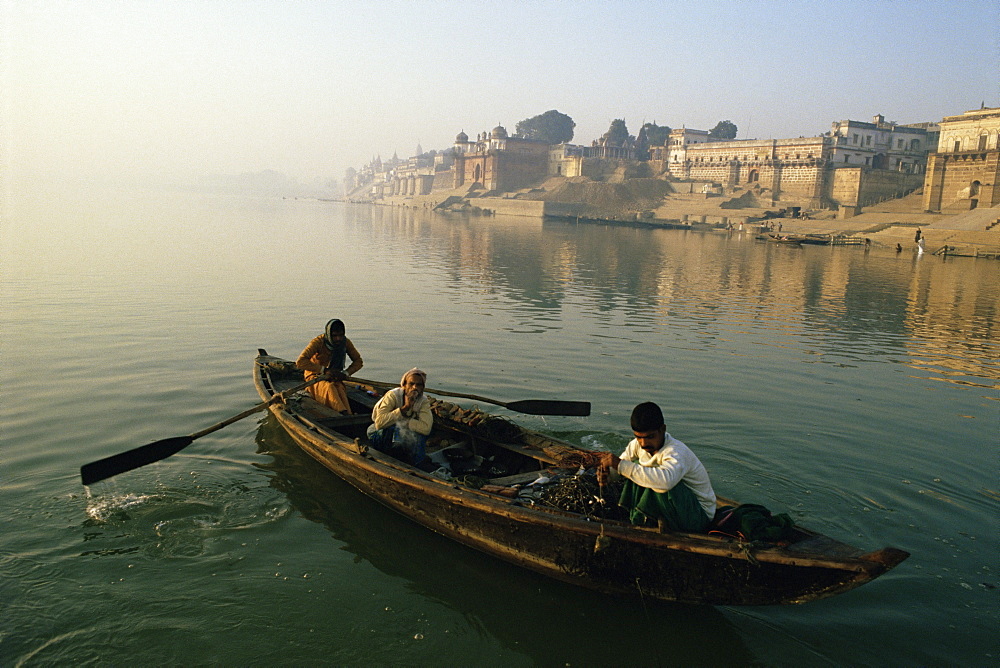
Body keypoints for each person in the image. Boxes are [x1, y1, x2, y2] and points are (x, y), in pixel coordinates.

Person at [602, 402, 717, 533]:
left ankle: (646, 521)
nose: (643, 443)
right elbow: (620, 469)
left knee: (657, 479)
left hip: (698, 517)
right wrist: (608, 475)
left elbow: (665, 482)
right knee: (633, 469)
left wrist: (620, 465)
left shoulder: (676, 452)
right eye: (638, 437)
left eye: (650, 437)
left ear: (663, 429)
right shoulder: (636, 445)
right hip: (677, 509)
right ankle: (642, 518)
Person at [367, 368, 433, 466]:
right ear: (404, 385)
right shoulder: (393, 395)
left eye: (419, 385)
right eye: (411, 384)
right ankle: (392, 461)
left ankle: (417, 464)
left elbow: (426, 428)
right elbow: (379, 423)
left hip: (404, 435)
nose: (415, 387)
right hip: (378, 434)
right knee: (395, 430)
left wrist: (405, 423)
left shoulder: (423, 401)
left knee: (418, 436)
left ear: (423, 387)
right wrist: (404, 408)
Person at [296, 318, 363, 414]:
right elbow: (300, 362)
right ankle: (342, 413)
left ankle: (348, 413)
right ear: (328, 334)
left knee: (339, 388)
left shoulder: (345, 342)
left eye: (340, 335)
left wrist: (345, 373)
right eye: (334, 336)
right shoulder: (318, 342)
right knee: (329, 388)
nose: (338, 339)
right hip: (315, 377)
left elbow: (358, 361)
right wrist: (324, 370)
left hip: (334, 377)